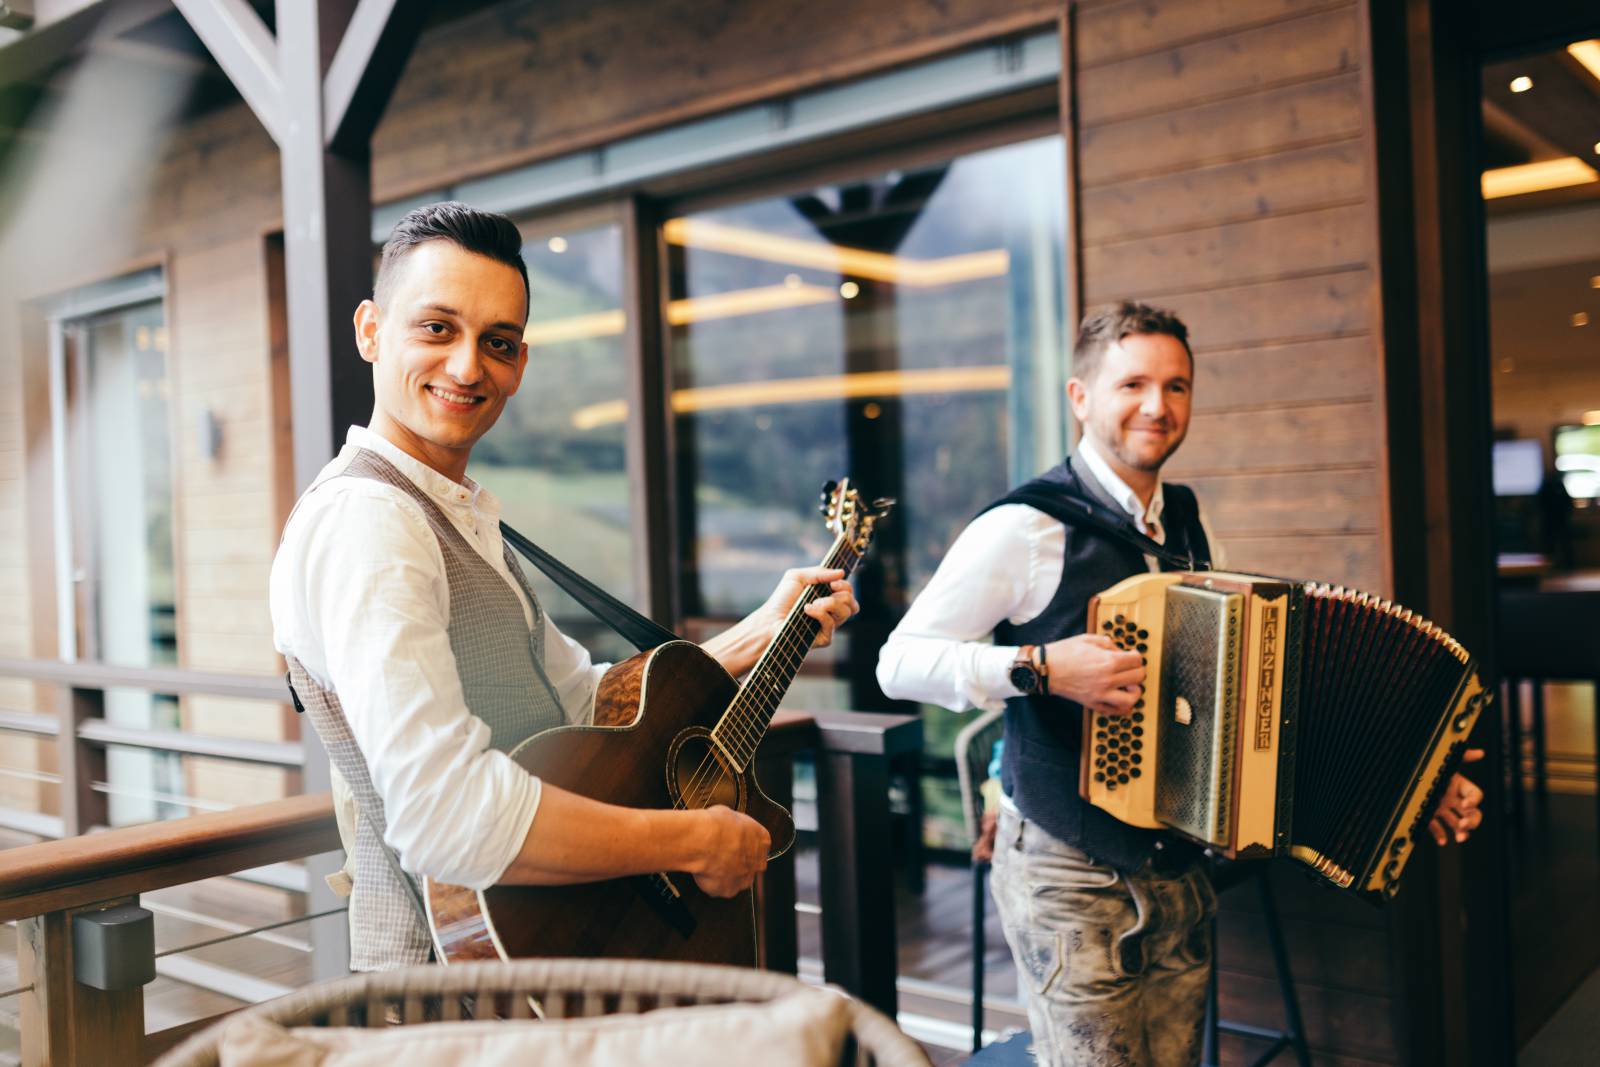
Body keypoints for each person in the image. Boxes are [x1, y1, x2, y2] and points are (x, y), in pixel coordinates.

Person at [876, 302, 1484, 1067]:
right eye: (1132, 383)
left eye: (1177, 385)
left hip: (1177, 875)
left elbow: (1272, 707)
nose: (1157, 406)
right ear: (1080, 398)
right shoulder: (1028, 529)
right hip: (1069, 872)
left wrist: (1415, 781)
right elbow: (899, 662)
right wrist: (1041, 667)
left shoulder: (1191, 529)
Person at [269, 201, 858, 971]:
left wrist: (763, 630)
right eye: (437, 328)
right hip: (452, 1001)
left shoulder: (454, 514)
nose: (468, 366)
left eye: (499, 342)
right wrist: (695, 839)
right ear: (371, 330)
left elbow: (582, 703)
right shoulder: (370, 523)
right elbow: (444, 814)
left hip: (547, 964)